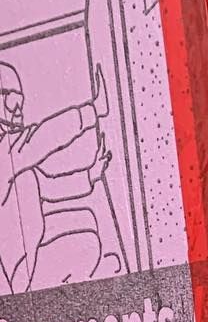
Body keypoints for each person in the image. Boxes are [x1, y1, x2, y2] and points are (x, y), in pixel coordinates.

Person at [0, 61, 120, 291]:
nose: (18, 110)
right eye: (10, 100)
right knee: (89, 243)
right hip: (23, 272)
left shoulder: (19, 165)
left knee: (87, 219)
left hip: (31, 255)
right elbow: (45, 136)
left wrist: (91, 174)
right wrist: (93, 110)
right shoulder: (6, 155)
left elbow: (51, 187)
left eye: (20, 101)